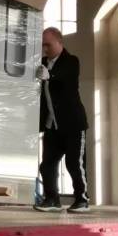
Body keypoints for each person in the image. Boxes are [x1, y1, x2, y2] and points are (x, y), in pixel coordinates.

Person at [36, 27, 89, 213]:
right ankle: (52, 199)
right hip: (52, 125)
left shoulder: (71, 61)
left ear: (59, 43)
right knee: (47, 165)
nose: (45, 49)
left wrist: (50, 76)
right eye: (43, 45)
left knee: (74, 164)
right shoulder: (42, 63)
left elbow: (66, 77)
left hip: (72, 124)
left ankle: (82, 199)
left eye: (48, 45)